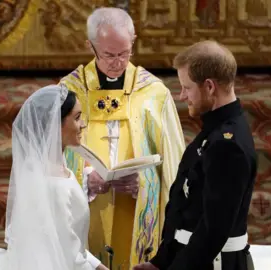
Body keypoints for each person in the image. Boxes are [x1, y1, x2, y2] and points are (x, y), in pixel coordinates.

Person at [60, 7, 186, 269]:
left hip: (136, 209)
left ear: (133, 41)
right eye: (108, 55)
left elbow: (174, 167)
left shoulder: (154, 92)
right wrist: (84, 180)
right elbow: (50, 155)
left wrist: (144, 183)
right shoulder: (69, 90)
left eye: (124, 53)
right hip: (88, 209)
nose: (118, 62)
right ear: (90, 46)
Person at [0, 85, 109, 270]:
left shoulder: (46, 165)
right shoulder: (54, 182)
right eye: (77, 118)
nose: (83, 124)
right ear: (56, 125)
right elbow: (68, 252)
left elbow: (68, 240)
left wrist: (97, 265)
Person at [133, 41, 258, 270]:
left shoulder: (227, 145)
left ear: (209, 86)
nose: (182, 96)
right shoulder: (215, 131)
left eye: (187, 88)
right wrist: (161, 262)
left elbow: (212, 231)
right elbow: (185, 210)